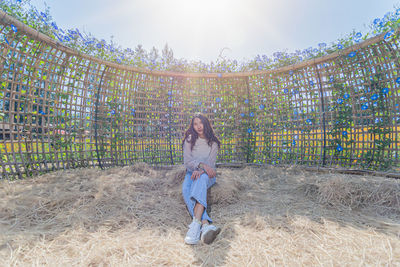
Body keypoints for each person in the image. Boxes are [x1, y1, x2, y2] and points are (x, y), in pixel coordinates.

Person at [181, 113, 221, 245]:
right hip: (191, 173)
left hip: (207, 175)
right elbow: (187, 161)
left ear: (206, 124)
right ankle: (205, 225)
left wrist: (202, 169)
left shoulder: (213, 143)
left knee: (202, 180)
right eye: (195, 124)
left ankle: (194, 226)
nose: (198, 126)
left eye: (201, 123)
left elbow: (210, 165)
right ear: (192, 126)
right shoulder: (189, 140)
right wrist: (199, 166)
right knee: (186, 190)